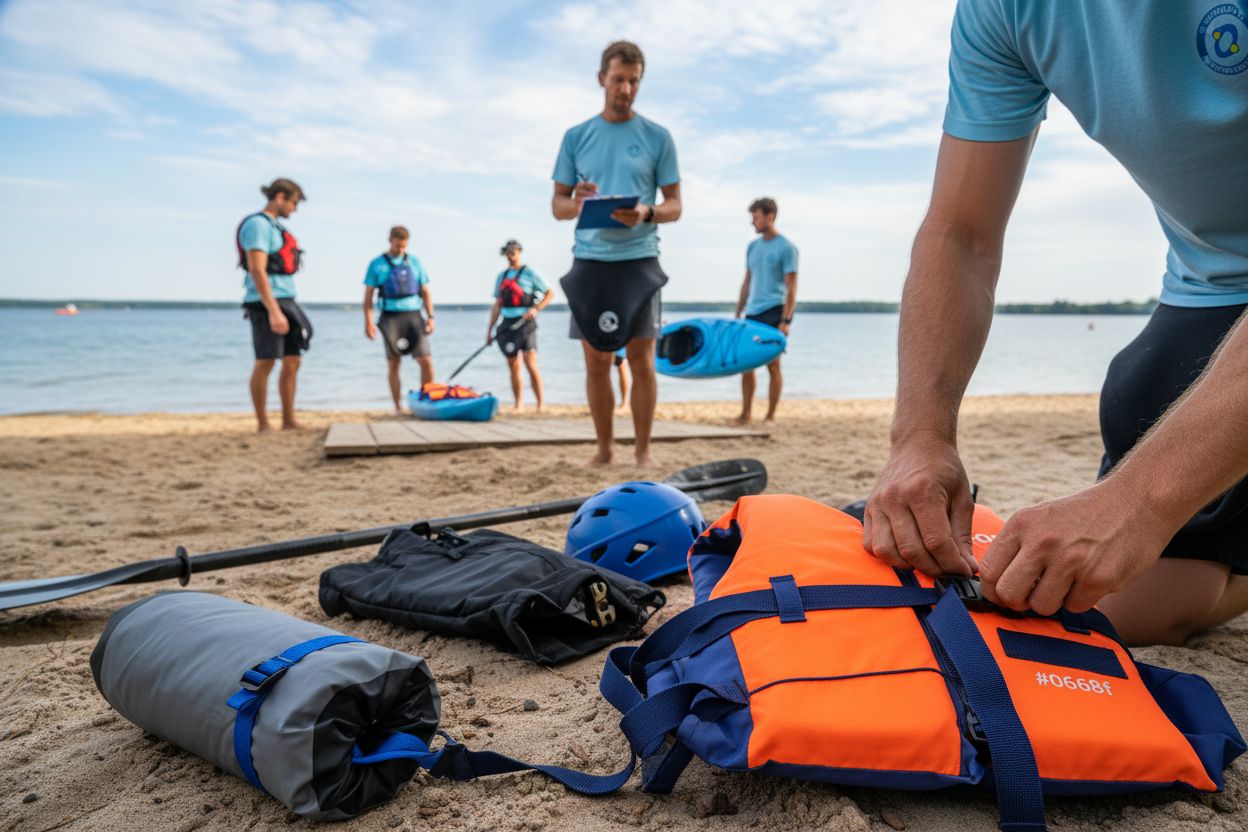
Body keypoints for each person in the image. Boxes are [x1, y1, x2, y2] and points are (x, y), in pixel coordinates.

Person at [863, 0, 1248, 647]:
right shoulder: (1004, 11)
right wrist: (919, 438)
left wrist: (1140, 500)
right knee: (1116, 610)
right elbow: (961, 233)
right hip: (1212, 287)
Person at [551, 40, 681, 467]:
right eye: (618, 79)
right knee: (596, 360)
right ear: (601, 79)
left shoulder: (658, 137)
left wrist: (646, 213)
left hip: (639, 260)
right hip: (591, 261)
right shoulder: (576, 136)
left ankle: (643, 451)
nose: (625, 88)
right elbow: (558, 205)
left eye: (633, 81)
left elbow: (674, 206)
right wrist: (581, 203)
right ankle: (605, 449)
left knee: (643, 360)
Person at [237, 178, 312, 433]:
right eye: (293, 202)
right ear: (280, 197)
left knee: (293, 359)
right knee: (266, 361)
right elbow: (257, 270)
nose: (295, 208)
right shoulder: (257, 225)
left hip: (286, 299)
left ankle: (289, 420)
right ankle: (263, 423)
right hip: (265, 301)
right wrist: (273, 310)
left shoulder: (275, 227)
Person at [735, 198, 798, 425]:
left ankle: (770, 416)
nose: (753, 222)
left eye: (756, 217)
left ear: (770, 216)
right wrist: (738, 311)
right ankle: (746, 413)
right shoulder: (752, 247)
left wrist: (786, 320)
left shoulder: (787, 248)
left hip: (774, 311)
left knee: (773, 365)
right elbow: (747, 281)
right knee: (746, 365)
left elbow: (792, 288)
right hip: (752, 312)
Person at [363, 226, 435, 413]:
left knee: (425, 360)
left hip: (414, 315)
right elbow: (368, 297)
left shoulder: (415, 262)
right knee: (394, 362)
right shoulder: (377, 264)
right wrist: (368, 322)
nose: (401, 249)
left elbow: (425, 292)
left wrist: (431, 317)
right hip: (390, 318)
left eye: (404, 246)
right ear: (390, 240)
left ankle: (427, 400)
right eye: (397, 245)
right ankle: (397, 407)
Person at [485, 239, 554, 412]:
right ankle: (519, 404)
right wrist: (490, 329)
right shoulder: (501, 277)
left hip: (526, 323)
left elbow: (550, 293)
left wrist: (536, 309)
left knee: (531, 364)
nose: (511, 257)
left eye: (513, 253)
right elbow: (497, 304)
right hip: (507, 324)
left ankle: (540, 404)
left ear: (519, 253)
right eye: (508, 253)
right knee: (513, 365)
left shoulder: (530, 272)